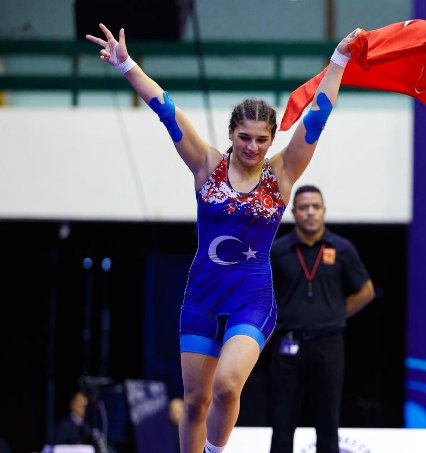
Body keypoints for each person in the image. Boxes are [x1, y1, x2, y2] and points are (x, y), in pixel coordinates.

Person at [85, 23, 362, 453]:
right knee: (194, 400)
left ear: (272, 141)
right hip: (202, 293)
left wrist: (339, 60)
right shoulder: (206, 167)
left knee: (227, 387)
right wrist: (127, 65)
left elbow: (318, 116)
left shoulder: (282, 174)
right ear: (231, 134)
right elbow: (166, 110)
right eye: (244, 138)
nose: (252, 147)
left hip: (251, 295)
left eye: (261, 140)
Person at [269, 185, 375, 453]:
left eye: (316, 207)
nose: (310, 213)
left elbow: (366, 290)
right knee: (283, 418)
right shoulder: (279, 250)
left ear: (324, 211)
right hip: (287, 344)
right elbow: (263, 295)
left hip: (328, 344)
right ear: (294, 212)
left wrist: (338, 313)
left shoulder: (341, 249)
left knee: (327, 419)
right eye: (304, 208)